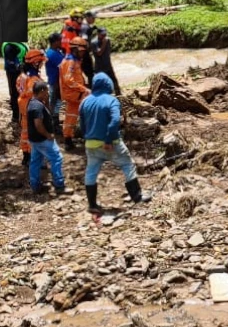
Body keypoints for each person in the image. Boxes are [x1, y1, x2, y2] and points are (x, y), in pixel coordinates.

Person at [80, 73, 150, 212]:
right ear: (108, 84)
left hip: (91, 144)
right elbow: (114, 122)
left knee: (91, 171)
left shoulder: (85, 102)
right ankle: (137, 196)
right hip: (111, 144)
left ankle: (92, 205)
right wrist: (108, 140)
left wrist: (87, 138)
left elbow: (82, 125)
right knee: (127, 164)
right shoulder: (111, 100)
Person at [27, 81, 70, 197]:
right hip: (43, 140)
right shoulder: (37, 106)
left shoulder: (32, 103)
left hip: (35, 140)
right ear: (41, 91)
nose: (48, 93)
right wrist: (48, 135)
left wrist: (46, 103)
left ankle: (35, 186)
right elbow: (38, 124)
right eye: (46, 91)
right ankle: (59, 185)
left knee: (35, 162)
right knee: (57, 158)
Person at [16, 49, 45, 167]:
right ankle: (33, 159)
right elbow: (37, 95)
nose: (42, 64)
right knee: (34, 134)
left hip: (23, 107)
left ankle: (26, 157)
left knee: (25, 132)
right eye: (41, 62)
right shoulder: (34, 79)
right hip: (32, 108)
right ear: (35, 63)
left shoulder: (22, 76)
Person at [60, 37, 91, 150]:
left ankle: (70, 138)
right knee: (75, 116)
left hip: (76, 93)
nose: (83, 53)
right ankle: (71, 139)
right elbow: (69, 80)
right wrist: (84, 89)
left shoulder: (74, 60)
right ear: (75, 50)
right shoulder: (70, 62)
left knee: (72, 117)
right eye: (81, 51)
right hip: (74, 94)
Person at [1, 40, 26, 123]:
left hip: (20, 72)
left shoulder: (18, 43)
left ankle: (21, 113)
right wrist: (19, 66)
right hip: (13, 73)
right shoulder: (9, 46)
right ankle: (15, 116)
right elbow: (10, 62)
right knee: (15, 93)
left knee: (22, 92)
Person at [93, 26, 120, 96]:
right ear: (98, 34)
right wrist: (104, 43)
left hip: (108, 64)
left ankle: (118, 94)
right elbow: (99, 53)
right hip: (100, 67)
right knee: (101, 82)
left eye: (105, 34)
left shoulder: (107, 40)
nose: (104, 36)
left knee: (114, 80)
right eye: (102, 35)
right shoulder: (94, 42)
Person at [44, 32, 64, 119]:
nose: (61, 42)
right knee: (54, 102)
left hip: (55, 81)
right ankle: (52, 120)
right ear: (55, 42)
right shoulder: (52, 54)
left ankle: (53, 119)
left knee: (56, 102)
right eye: (60, 40)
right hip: (55, 82)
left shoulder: (55, 52)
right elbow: (61, 67)